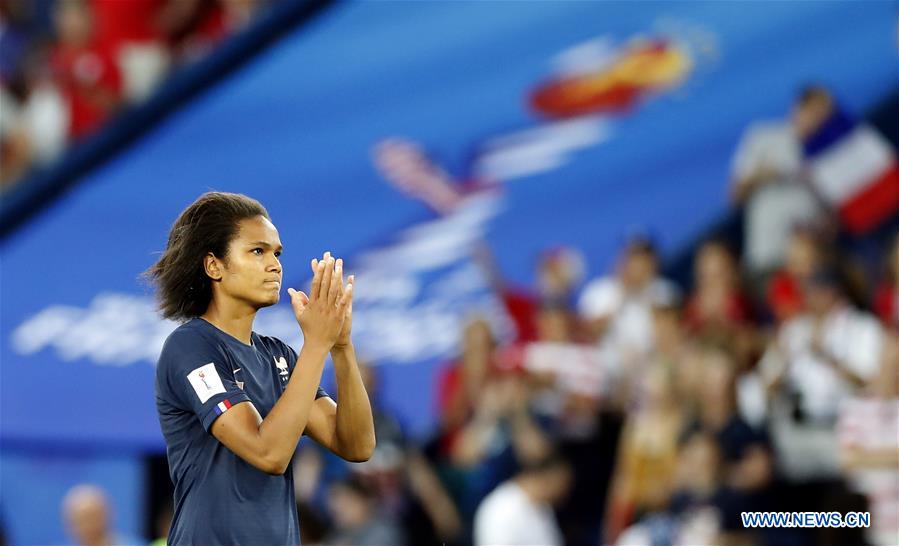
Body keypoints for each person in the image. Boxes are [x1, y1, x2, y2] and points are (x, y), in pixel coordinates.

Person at [148, 192, 376, 545]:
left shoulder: (279, 357)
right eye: (258, 251)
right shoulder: (190, 347)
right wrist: (316, 344)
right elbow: (268, 453)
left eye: (276, 253)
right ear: (214, 266)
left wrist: (341, 346)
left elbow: (357, 445)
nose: (275, 265)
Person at [473, 451, 571, 546]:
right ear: (548, 479)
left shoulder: (544, 506)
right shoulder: (501, 509)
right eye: (563, 485)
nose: (564, 493)